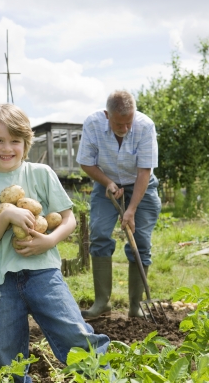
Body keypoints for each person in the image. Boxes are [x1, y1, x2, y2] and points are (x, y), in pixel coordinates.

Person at [0, 104, 110, 383]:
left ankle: (104, 378)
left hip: (44, 274)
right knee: (7, 356)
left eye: (15, 141)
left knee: (75, 334)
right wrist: (7, 215)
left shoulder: (41, 173)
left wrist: (49, 240)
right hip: (0, 284)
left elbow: (68, 220)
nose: (7, 148)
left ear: (26, 144)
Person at [76, 90, 161, 319]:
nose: (124, 128)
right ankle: (102, 303)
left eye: (128, 122)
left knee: (141, 241)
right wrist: (107, 182)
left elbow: (145, 171)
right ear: (107, 115)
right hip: (107, 183)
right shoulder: (93, 124)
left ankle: (136, 306)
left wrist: (131, 210)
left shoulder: (145, 126)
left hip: (140, 184)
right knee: (100, 235)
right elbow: (86, 162)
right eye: (118, 123)